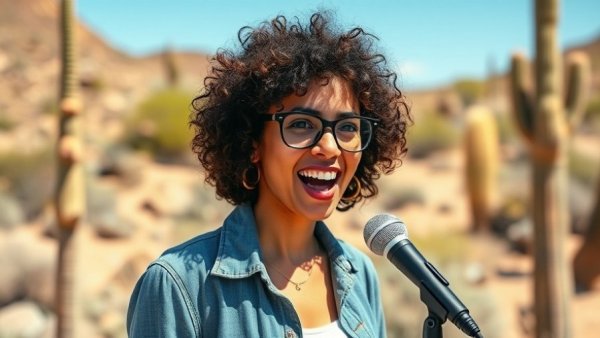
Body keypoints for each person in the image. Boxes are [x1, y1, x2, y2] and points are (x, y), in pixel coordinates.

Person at [127, 11, 409, 338]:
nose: (330, 148)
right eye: (302, 124)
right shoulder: (179, 286)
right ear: (252, 143)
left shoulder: (360, 274)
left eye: (348, 127)